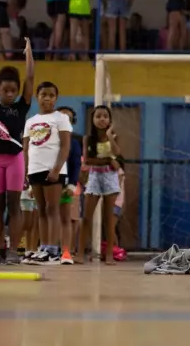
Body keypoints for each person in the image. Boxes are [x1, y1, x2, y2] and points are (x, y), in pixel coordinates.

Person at [0, 35, 34, 265]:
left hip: (15, 160)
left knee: (14, 206)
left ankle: (13, 252)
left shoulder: (22, 106)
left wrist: (29, 53)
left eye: (14, 90)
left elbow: (30, 77)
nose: (11, 94)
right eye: (6, 91)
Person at [22, 82, 72, 265]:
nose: (47, 98)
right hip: (35, 169)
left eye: (51, 95)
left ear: (56, 98)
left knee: (52, 209)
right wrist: (25, 172)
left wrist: (57, 169)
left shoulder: (61, 119)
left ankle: (53, 250)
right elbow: (26, 148)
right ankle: (43, 248)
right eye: (43, 94)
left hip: (53, 169)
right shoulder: (30, 121)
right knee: (40, 210)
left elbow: (66, 146)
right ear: (37, 97)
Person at [77, 106, 121, 264]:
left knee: (109, 219)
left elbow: (117, 153)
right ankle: (80, 252)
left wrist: (110, 137)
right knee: (87, 217)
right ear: (93, 120)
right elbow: (88, 160)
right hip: (95, 175)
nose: (102, 119)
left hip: (110, 177)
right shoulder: (88, 139)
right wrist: (109, 160)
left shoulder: (113, 136)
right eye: (98, 116)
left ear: (110, 120)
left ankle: (109, 254)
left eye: (105, 116)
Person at [58, 106, 83, 264]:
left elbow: (75, 164)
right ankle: (47, 249)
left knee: (68, 218)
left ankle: (66, 251)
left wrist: (72, 185)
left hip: (66, 186)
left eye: (68, 118)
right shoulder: (45, 140)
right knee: (47, 217)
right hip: (47, 185)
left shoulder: (74, 142)